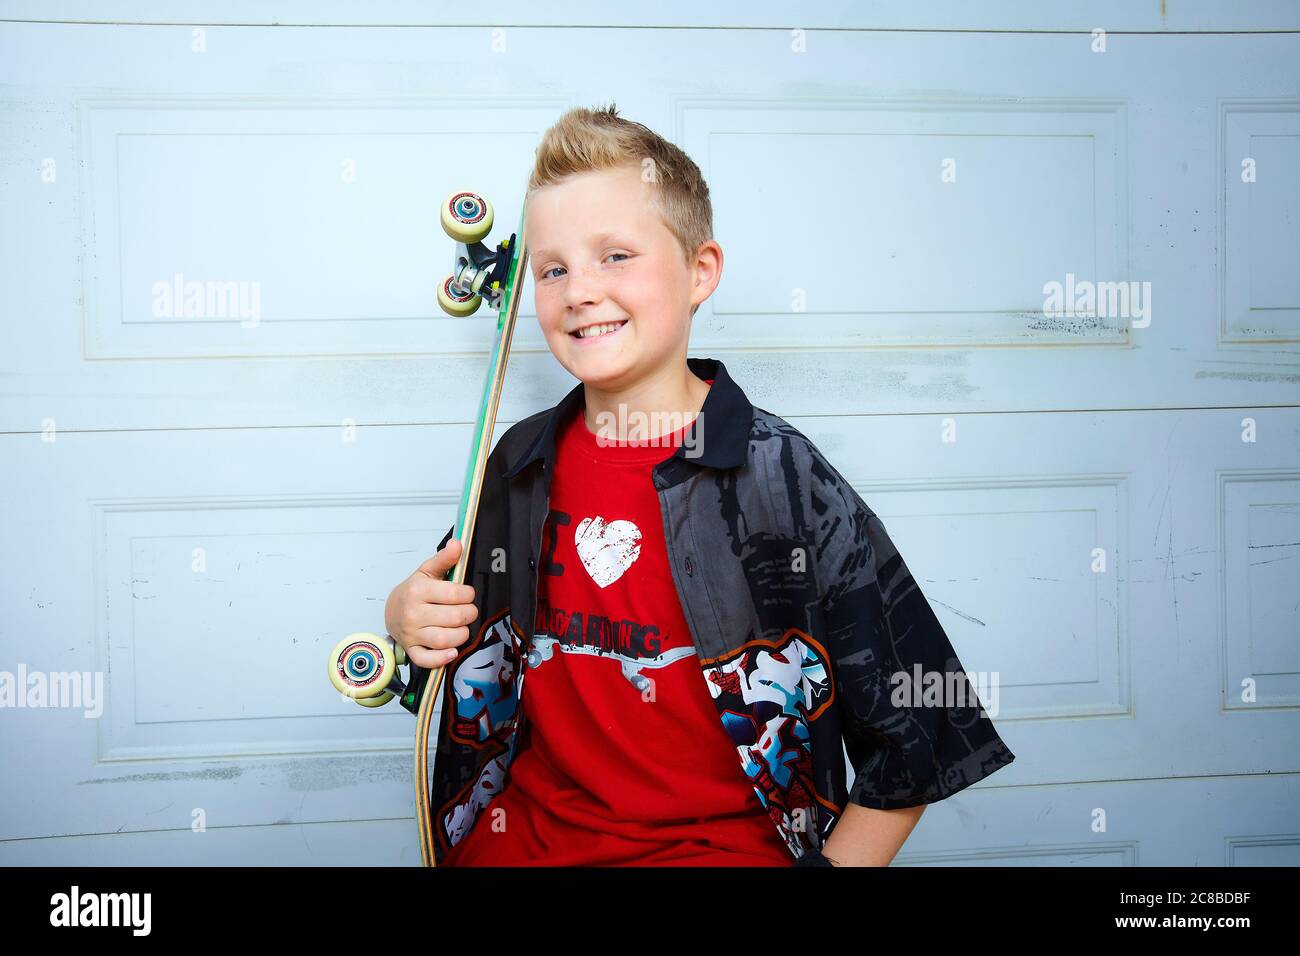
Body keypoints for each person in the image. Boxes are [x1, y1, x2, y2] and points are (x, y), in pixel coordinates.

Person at [384, 104, 1015, 866]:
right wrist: (404, 616)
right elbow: (447, 620)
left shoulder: (784, 477)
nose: (579, 289)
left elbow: (921, 720)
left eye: (615, 256)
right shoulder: (519, 462)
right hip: (524, 840)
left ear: (700, 272)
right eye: (553, 268)